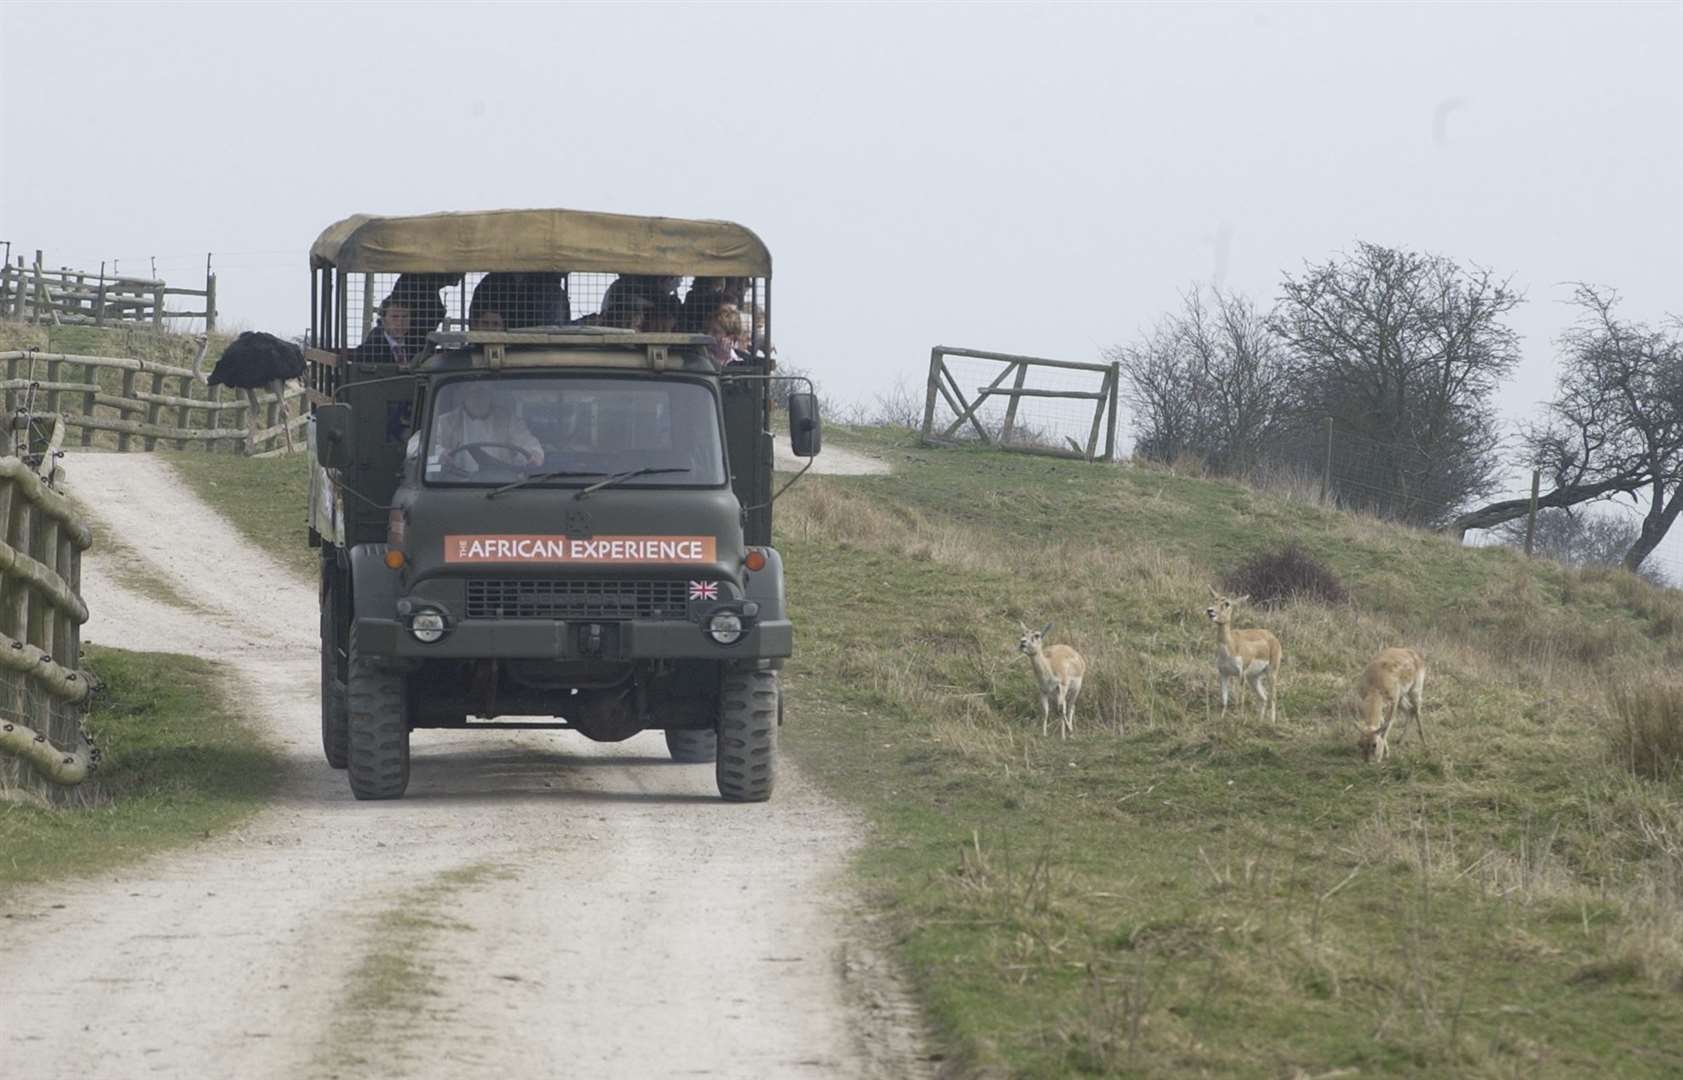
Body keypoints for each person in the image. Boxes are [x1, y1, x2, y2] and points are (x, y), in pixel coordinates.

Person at [430, 381, 544, 474]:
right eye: (473, 392)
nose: (478, 397)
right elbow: (415, 445)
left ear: (490, 395)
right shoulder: (446, 422)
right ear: (464, 395)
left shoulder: (508, 420)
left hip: (502, 485)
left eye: (482, 392)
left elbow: (527, 442)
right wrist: (440, 453)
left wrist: (534, 453)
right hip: (456, 486)